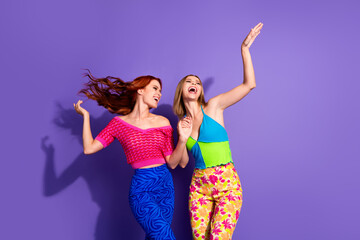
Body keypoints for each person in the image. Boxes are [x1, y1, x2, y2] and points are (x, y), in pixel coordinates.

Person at [172, 22, 263, 239]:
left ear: (200, 90)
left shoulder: (214, 106)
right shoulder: (182, 124)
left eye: (197, 82)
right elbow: (182, 163)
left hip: (227, 184)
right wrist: (182, 139)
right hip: (199, 187)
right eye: (188, 82)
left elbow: (248, 85)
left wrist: (244, 49)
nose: (194, 83)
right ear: (181, 91)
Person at [74, 72, 191, 239]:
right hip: (142, 189)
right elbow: (89, 148)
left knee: (154, 237)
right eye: (155, 88)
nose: (159, 94)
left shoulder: (163, 122)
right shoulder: (118, 124)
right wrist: (85, 117)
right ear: (140, 90)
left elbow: (172, 163)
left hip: (165, 187)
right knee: (164, 236)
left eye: (160, 91)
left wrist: (183, 139)